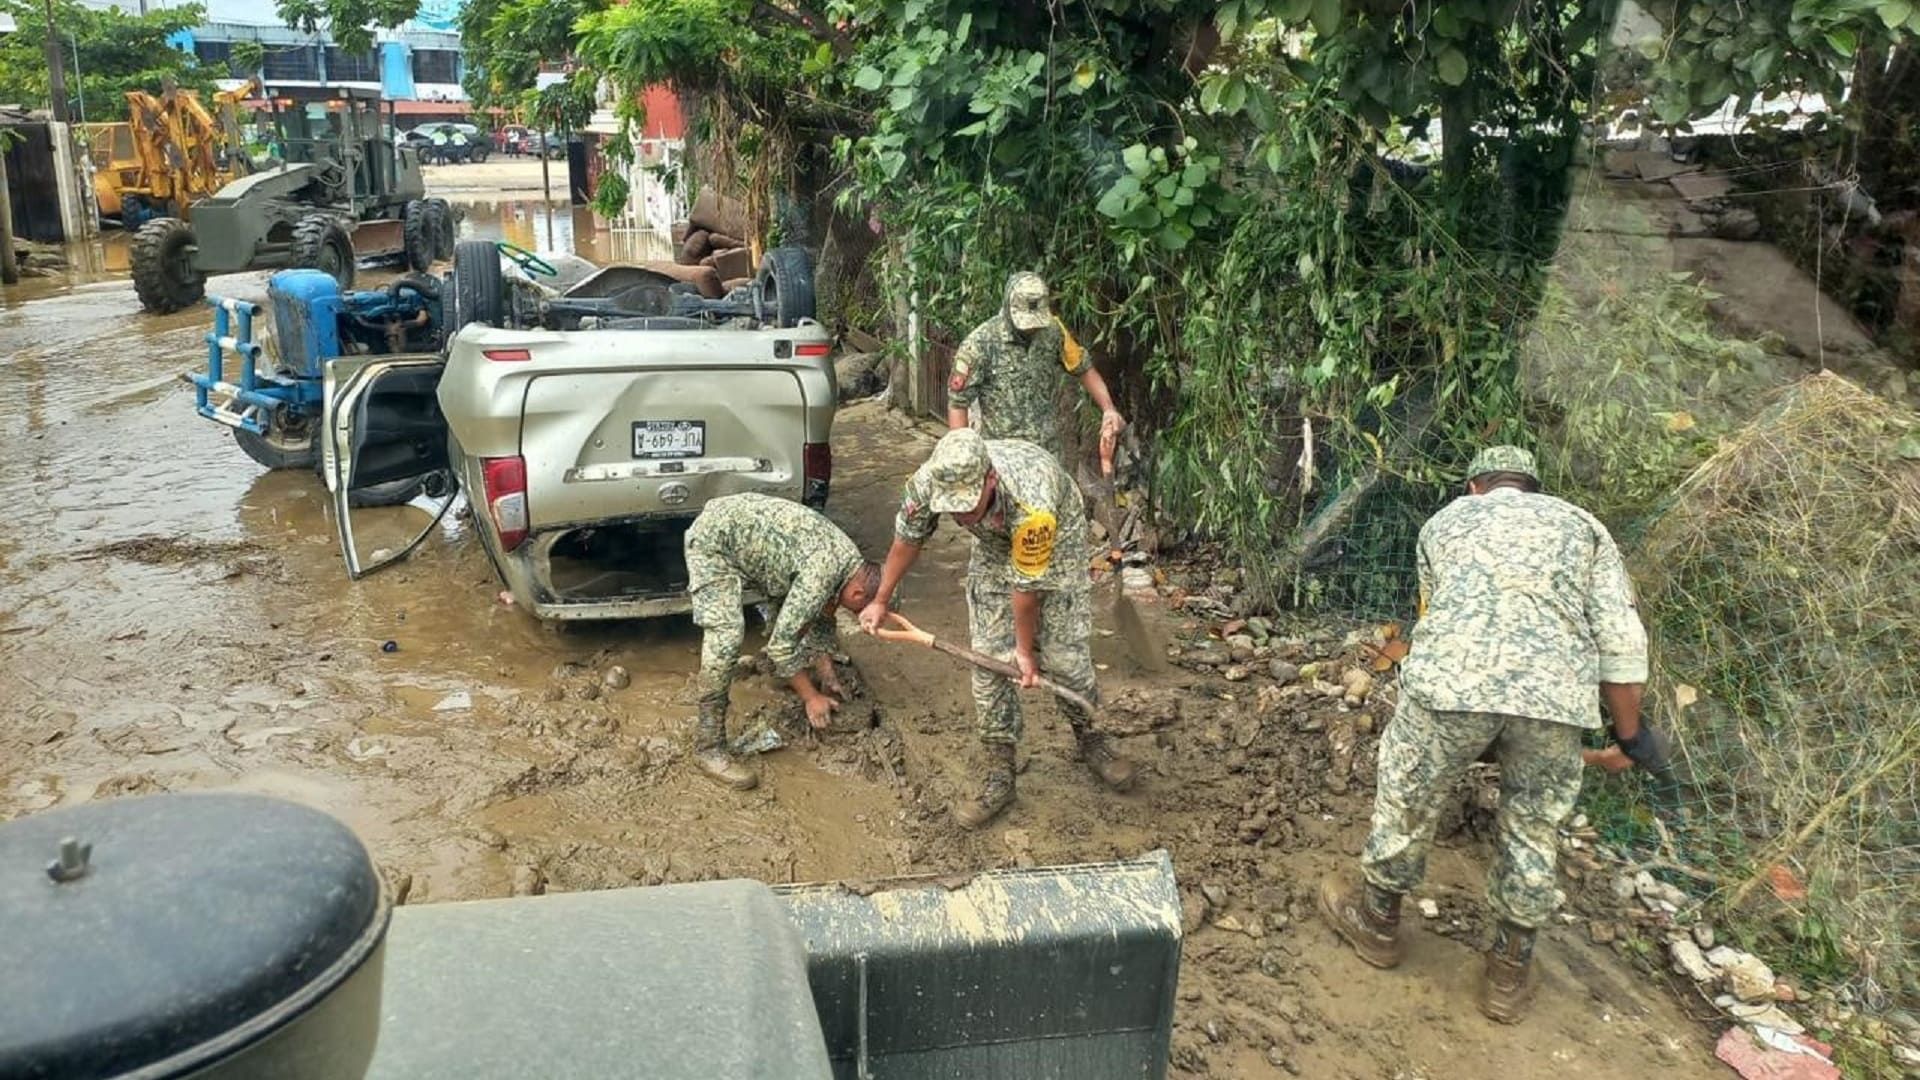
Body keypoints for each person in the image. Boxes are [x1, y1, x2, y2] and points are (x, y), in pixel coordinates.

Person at [1318, 445, 1668, 1023]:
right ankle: (1509, 972)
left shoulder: (1446, 521)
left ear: (1475, 486)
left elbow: (1434, 615)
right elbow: (1621, 641)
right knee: (1534, 824)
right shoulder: (1584, 526)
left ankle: (1378, 925)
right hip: (1554, 700)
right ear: (1534, 487)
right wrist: (1630, 737)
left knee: (1409, 794)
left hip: (1450, 687)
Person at [859, 428, 1137, 828]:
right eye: (951, 509)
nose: (959, 516)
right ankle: (1000, 772)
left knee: (1065, 660)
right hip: (993, 548)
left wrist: (1024, 653)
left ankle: (1092, 739)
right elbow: (908, 538)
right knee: (989, 666)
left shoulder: (1033, 501)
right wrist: (881, 599)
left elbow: (1026, 592)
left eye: (967, 506)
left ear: (989, 478)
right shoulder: (929, 481)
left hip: (1058, 542)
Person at [684, 493, 882, 790]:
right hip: (715, 541)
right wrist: (811, 698)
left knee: (795, 619)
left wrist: (827, 675)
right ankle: (708, 748)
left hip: (755, 540)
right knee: (726, 637)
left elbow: (822, 615)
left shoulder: (851, 566)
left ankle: (771, 671)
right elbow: (784, 644)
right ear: (857, 595)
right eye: (864, 613)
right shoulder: (825, 573)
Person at [946, 272, 1126, 472]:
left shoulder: (1053, 331)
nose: (1031, 329)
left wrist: (1109, 408)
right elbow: (958, 402)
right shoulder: (979, 344)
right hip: (1003, 460)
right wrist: (963, 459)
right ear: (1008, 309)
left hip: (1047, 455)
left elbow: (1083, 368)